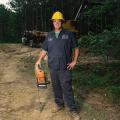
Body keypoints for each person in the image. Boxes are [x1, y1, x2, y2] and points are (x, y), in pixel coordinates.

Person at [35, 11, 80, 120]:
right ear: (53, 22)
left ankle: (72, 110)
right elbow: (44, 49)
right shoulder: (49, 35)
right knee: (56, 87)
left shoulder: (68, 34)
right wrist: (39, 60)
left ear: (62, 22)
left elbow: (76, 48)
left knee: (67, 87)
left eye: (58, 21)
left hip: (65, 67)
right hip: (53, 66)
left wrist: (74, 61)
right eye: (54, 21)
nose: (56, 23)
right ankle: (59, 104)